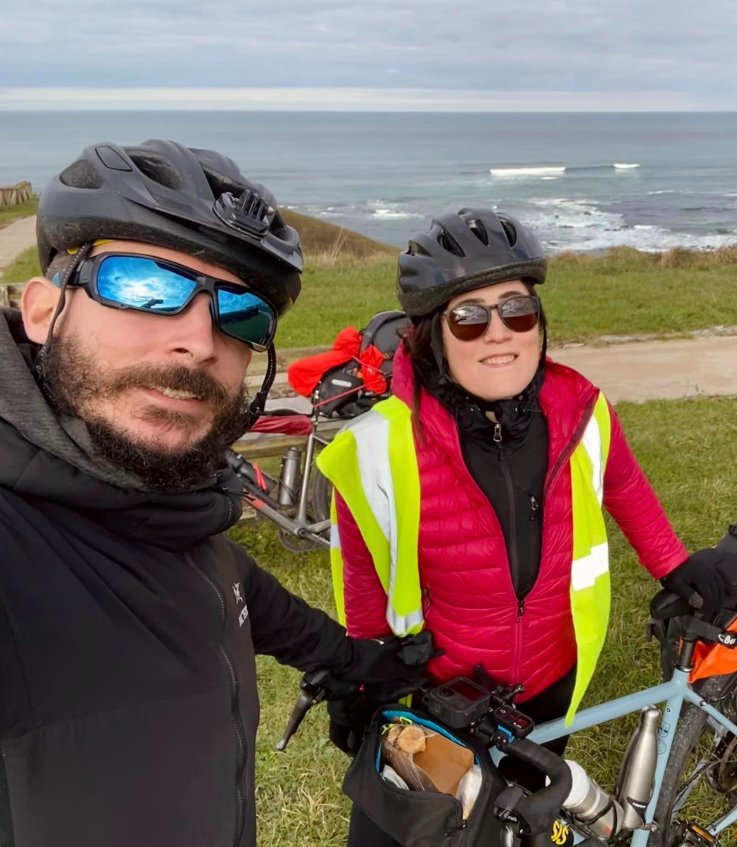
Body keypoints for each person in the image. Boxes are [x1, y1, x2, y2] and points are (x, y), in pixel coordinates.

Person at [0, 140, 432, 847]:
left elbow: (228, 583)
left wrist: (352, 663)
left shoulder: (169, 509)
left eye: (240, 314)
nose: (199, 338)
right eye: (146, 285)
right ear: (45, 310)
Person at [316, 208, 737, 844]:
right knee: (440, 826)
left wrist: (673, 564)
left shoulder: (582, 412)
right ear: (432, 336)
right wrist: (365, 670)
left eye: (516, 311)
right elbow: (362, 571)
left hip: (554, 672)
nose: (498, 333)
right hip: (450, 690)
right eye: (469, 317)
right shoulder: (376, 447)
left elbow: (622, 484)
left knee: (523, 819)